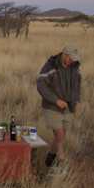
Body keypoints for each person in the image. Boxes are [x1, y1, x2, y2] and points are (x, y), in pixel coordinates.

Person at [37, 44, 81, 173]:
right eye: (71, 58)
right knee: (59, 135)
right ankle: (61, 161)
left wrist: (77, 100)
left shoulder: (75, 67)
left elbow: (78, 85)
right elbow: (41, 85)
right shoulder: (50, 66)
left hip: (67, 107)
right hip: (53, 107)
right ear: (64, 55)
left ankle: (50, 159)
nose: (72, 61)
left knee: (61, 136)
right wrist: (56, 100)